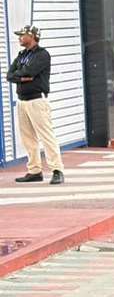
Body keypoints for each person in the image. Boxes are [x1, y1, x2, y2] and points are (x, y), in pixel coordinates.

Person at [5, 25, 64, 184]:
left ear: (32, 36)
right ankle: (34, 170)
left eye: (22, 35)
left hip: (37, 100)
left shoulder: (42, 55)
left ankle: (57, 170)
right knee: (28, 138)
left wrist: (23, 75)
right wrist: (21, 77)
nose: (19, 38)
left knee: (46, 136)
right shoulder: (22, 55)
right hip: (22, 101)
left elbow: (29, 72)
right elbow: (9, 75)